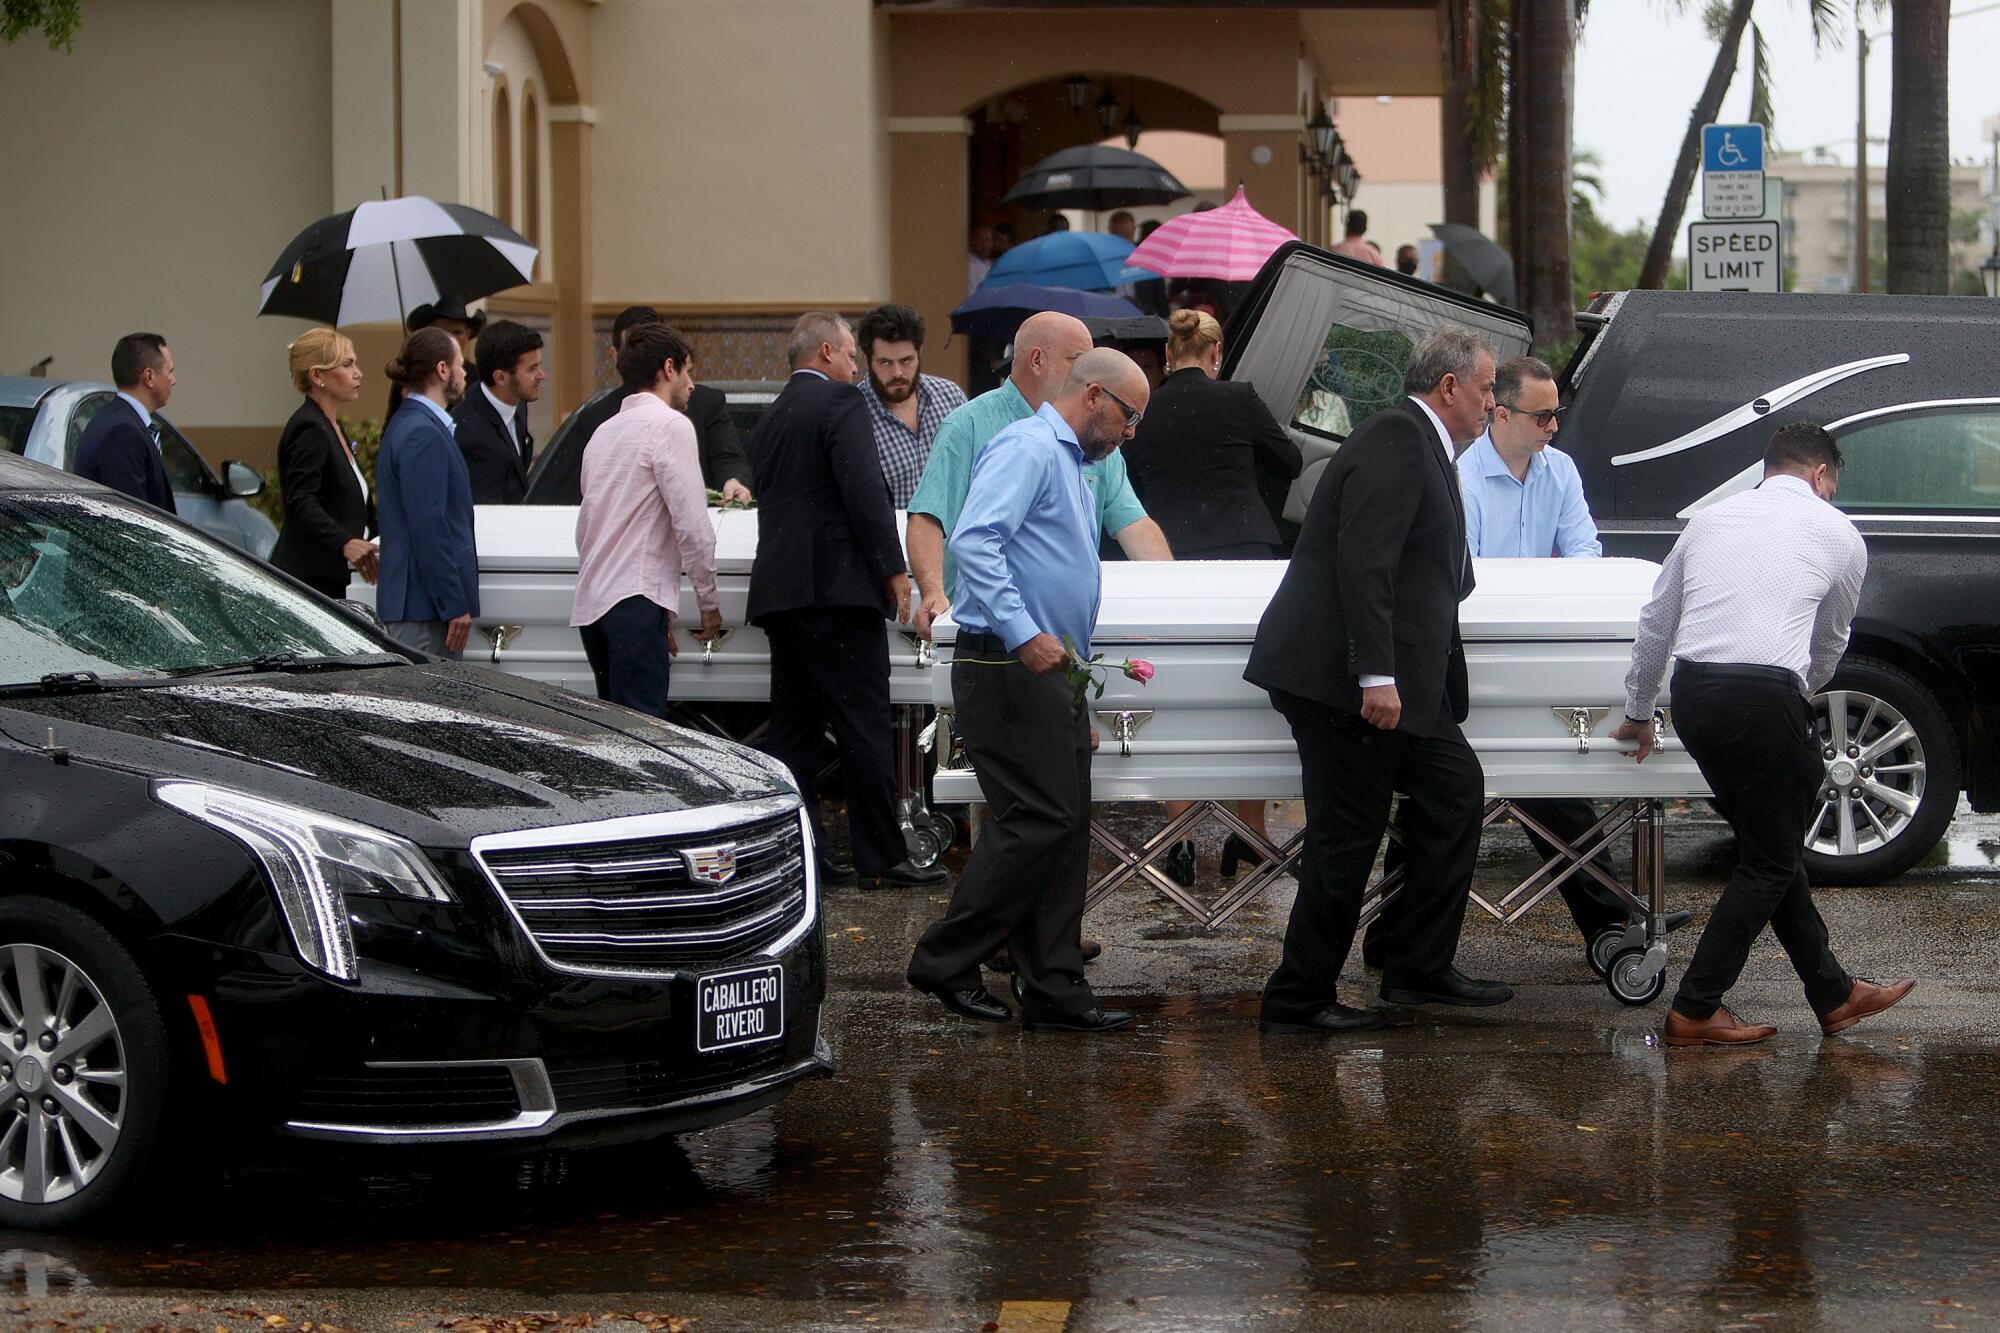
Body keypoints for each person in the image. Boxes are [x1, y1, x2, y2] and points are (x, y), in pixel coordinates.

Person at [1369, 355, 1690, 966]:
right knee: (1431, 799)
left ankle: (1609, 921)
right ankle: (1393, 937)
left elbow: (1584, 557)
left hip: (1537, 642)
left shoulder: (1559, 471)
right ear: (1502, 414)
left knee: (1555, 785)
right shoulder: (1459, 475)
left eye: (1556, 416)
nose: (1553, 429)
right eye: (1543, 417)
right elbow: (1468, 573)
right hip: (1470, 650)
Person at [1612, 423, 1915, 1046]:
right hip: (1765, 698)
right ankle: (1694, 1009)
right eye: (1832, 485)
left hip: (1695, 696)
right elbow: (1830, 644)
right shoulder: (1839, 534)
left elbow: (1656, 622)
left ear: (1768, 468)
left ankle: (1834, 995)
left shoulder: (1708, 521)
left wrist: (1640, 710)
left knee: (1768, 849)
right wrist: (1795, 697)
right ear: (1818, 476)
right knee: (1771, 862)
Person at [1245, 329, 1512, 1034]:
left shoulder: (1422, 444)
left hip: (1392, 684)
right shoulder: (1396, 438)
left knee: (1454, 791)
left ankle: (1413, 962)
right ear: (1449, 387)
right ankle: (1298, 997)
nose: (1493, 402)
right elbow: (1365, 563)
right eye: (1486, 388)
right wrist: (1377, 672)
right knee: (1345, 838)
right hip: (1346, 683)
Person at [907, 349, 1153, 1033]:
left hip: (1047, 670)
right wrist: (1022, 634)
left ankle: (1055, 987)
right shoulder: (1029, 448)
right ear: (1095, 396)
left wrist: (1076, 691)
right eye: (1130, 416)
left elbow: (1055, 577)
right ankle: (946, 958)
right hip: (1007, 663)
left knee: (1065, 824)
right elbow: (977, 542)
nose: (1132, 432)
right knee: (1038, 818)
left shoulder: (1074, 461)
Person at [747, 312, 944, 889]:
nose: (858, 365)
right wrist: (894, 570)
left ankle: (800, 858)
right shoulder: (841, 404)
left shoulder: (771, 416)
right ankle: (880, 857)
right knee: (864, 727)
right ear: (828, 352)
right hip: (838, 592)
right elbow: (863, 492)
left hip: (783, 596)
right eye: (854, 354)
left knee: (793, 736)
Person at [1125, 309, 1302, 887]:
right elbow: (1291, 460)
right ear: (1217, 352)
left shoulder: (1145, 407)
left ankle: (1176, 835)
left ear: (1170, 353)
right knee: (1247, 683)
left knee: (1173, 685)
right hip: (1245, 554)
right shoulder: (1239, 397)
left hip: (1167, 557)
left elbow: (1125, 479)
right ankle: (1250, 832)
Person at [906, 311, 1172, 643]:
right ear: (1036, 360)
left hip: (1058, 645)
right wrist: (932, 592)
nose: (1087, 374)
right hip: (991, 637)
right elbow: (929, 517)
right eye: (1077, 361)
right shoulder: (969, 424)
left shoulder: (1095, 435)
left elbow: (1134, 525)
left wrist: (1167, 596)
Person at [569, 322, 723, 718]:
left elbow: (587, 528)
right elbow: (691, 525)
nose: (691, 383)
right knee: (644, 735)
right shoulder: (671, 426)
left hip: (594, 604)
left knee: (616, 732)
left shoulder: (603, 432)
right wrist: (708, 601)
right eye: (688, 371)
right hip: (634, 600)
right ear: (668, 368)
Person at [541, 306, 753, 504]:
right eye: (634, 348)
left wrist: (732, 481)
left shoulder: (705, 403)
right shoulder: (596, 418)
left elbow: (727, 456)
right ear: (617, 356)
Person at [374, 327, 477, 659]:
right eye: (459, 363)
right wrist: (453, 603)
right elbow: (429, 525)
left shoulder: (411, 424)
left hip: (419, 605)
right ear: (442, 370)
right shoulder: (422, 432)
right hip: (424, 609)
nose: (464, 372)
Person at [269, 328, 377, 598]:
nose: (358, 373)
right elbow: (301, 500)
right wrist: (343, 542)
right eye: (347, 364)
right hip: (311, 582)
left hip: (337, 578)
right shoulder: (310, 427)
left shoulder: (331, 425)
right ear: (318, 375)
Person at [856, 303, 966, 509]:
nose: (897, 372)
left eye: (906, 360)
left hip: (951, 534)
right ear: (866, 359)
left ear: (919, 352)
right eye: (885, 363)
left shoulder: (950, 397)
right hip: (891, 538)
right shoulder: (853, 416)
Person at [74, 333, 177, 512]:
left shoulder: (114, 420)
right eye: (170, 371)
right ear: (149, 377)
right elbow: (131, 519)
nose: (173, 381)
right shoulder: (123, 433)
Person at [453, 319, 545, 504]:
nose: (542, 375)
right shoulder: (472, 436)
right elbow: (484, 514)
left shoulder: (517, 399)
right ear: (500, 377)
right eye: (532, 369)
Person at [385, 296, 486, 421]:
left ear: (468, 335)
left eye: (457, 332)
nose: (449, 338)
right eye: (442, 331)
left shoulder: (479, 378)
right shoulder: (410, 374)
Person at [967, 223, 996, 294]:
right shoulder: (967, 264)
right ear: (973, 241)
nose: (985, 245)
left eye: (988, 240)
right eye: (981, 240)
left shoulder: (993, 265)